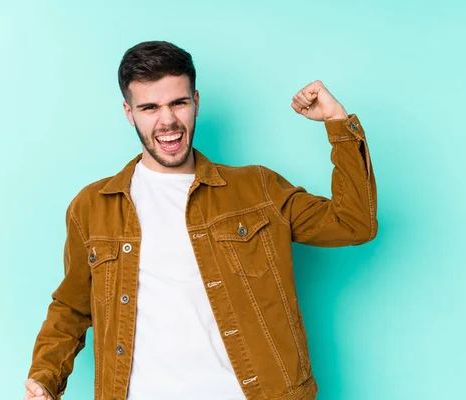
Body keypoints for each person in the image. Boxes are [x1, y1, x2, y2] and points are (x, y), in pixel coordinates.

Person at [24, 40, 378, 400]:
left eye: (178, 102)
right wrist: (45, 377)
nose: (168, 121)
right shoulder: (92, 207)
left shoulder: (257, 189)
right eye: (149, 107)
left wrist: (337, 122)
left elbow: (353, 223)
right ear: (129, 113)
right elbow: (71, 307)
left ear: (195, 101)